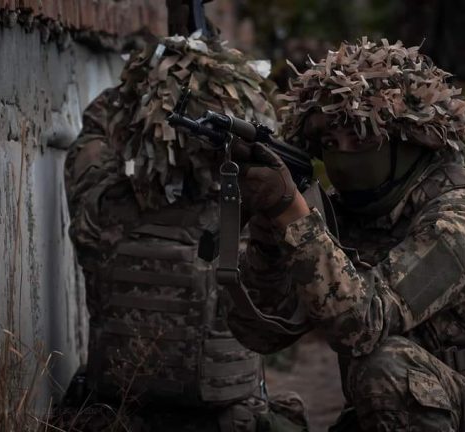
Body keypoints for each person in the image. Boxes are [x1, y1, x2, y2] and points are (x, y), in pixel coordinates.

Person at [227, 38, 465, 431]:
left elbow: (362, 325)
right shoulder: (352, 211)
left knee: (386, 367)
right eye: (330, 144)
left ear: (411, 140)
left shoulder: (464, 217)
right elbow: (260, 333)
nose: (344, 156)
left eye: (362, 140)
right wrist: (268, 228)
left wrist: (290, 213)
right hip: (422, 411)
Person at [61, 34, 308, 432]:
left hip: (125, 417)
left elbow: (94, 136)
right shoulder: (254, 222)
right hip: (228, 420)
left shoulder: (106, 212)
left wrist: (151, 82)